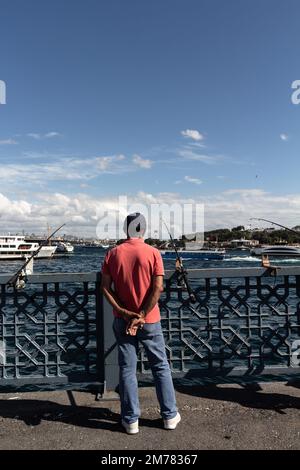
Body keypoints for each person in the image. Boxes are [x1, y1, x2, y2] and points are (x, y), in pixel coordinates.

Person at [101, 212, 180, 434]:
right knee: (160, 366)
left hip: (123, 321)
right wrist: (143, 314)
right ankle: (169, 416)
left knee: (127, 369)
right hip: (150, 320)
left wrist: (123, 311)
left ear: (126, 229)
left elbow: (105, 288)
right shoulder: (154, 253)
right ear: (142, 230)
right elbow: (157, 288)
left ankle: (131, 421)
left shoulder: (112, 254)